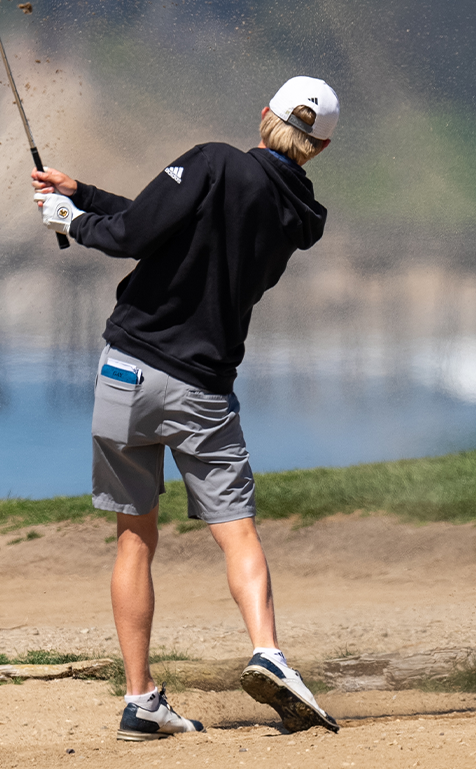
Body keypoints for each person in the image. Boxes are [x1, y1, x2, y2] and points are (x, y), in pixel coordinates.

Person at [30, 76, 342, 742]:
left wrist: (72, 221)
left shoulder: (212, 160)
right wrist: (81, 195)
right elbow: (156, 224)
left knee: (135, 538)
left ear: (264, 116)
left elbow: (133, 235)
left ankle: (140, 698)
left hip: (128, 372)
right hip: (202, 388)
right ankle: (268, 652)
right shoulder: (298, 217)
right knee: (237, 532)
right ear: (317, 147)